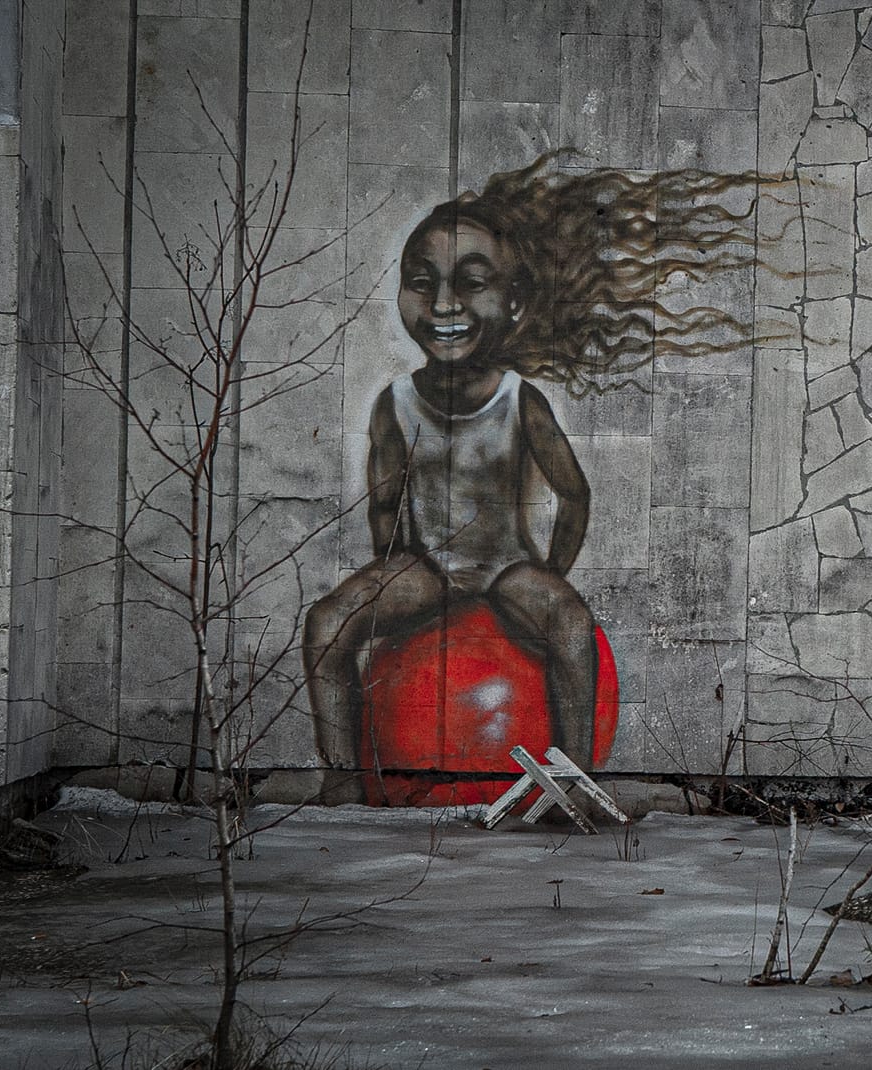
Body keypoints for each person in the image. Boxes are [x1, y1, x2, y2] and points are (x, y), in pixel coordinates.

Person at [302, 153, 775, 793]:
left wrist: (551, 572)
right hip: (426, 568)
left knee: (573, 627)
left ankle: (573, 781)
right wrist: (394, 575)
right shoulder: (396, 403)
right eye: (420, 281)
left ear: (515, 301)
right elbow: (384, 504)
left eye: (471, 282)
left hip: (505, 565)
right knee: (327, 624)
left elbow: (574, 493)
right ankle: (344, 782)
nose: (442, 303)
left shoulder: (518, 398)